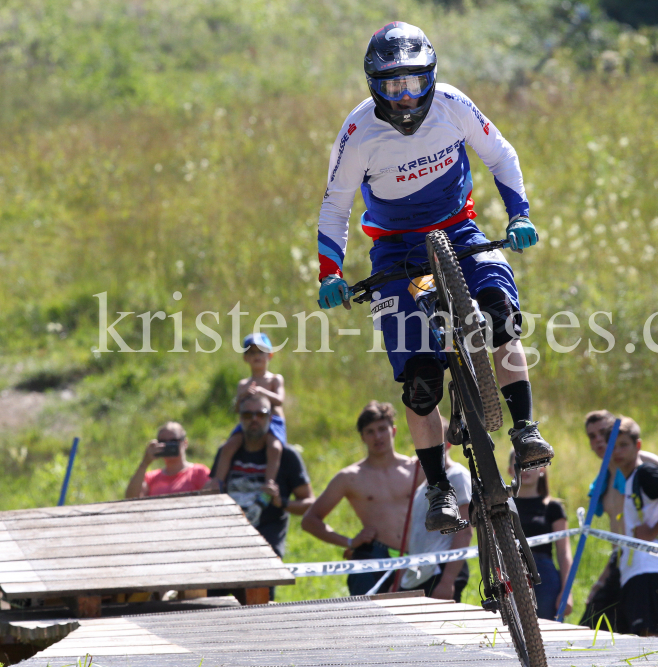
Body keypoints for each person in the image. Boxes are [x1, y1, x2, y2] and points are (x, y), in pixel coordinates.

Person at [314, 22, 553, 535]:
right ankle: (440, 487)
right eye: (392, 86)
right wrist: (330, 271)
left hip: (460, 232)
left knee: (503, 318)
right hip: (395, 252)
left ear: (432, 78)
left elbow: (501, 155)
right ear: (373, 86)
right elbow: (335, 205)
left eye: (414, 83)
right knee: (420, 382)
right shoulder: (358, 132)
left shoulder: (452, 105)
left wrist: (518, 216)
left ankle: (525, 428)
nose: (405, 98)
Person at [580, 410, 658, 630]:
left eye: (603, 433)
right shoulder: (608, 476)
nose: (599, 440)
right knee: (597, 629)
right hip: (623, 563)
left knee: (648, 637)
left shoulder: (642, 466)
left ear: (635, 445)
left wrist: (657, 527)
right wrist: (602, 579)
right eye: (593, 436)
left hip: (647, 563)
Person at [302, 401, 418, 595]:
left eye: (382, 429)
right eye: (370, 431)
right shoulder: (350, 477)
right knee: (369, 621)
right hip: (374, 557)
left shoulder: (415, 469)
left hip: (418, 557)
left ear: (394, 431)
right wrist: (349, 542)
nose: (377, 436)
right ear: (362, 438)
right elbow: (310, 521)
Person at [210, 394, 314, 559]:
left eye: (260, 414)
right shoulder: (227, 451)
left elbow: (308, 503)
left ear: (270, 418)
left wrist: (282, 502)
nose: (254, 419)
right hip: (226, 546)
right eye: (247, 415)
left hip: (266, 550)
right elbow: (212, 492)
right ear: (239, 418)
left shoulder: (287, 456)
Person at [211, 333, 286, 488]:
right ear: (245, 358)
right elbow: (238, 408)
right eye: (251, 352)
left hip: (273, 422)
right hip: (249, 422)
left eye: (260, 352)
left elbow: (279, 400)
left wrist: (261, 391)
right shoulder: (243, 384)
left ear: (270, 355)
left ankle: (269, 482)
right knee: (228, 446)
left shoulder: (274, 379)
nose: (256, 356)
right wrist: (244, 396)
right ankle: (217, 481)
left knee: (274, 447)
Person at [400, 441, 472, 601]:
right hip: (418, 575)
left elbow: (465, 531)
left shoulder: (457, 475)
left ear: (447, 444)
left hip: (441, 571)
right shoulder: (422, 487)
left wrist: (447, 581)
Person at [507, 449, 573, 620]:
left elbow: (564, 552)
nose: (525, 469)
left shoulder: (553, 508)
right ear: (509, 470)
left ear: (542, 469)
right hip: (510, 572)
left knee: (548, 632)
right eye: (519, 463)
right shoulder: (503, 507)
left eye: (530, 464)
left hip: (545, 577)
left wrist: (567, 592)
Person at [125, 421, 210, 498]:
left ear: (185, 443)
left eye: (173, 441)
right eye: (163, 442)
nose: (168, 445)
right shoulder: (151, 478)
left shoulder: (199, 472)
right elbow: (130, 498)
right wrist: (145, 463)